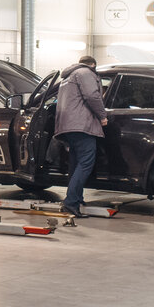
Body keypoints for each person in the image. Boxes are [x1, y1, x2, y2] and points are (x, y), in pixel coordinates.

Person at [54, 55, 108, 217]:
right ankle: (71, 202)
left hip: (67, 125)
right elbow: (92, 96)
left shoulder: (67, 77)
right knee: (85, 163)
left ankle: (76, 198)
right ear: (93, 65)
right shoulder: (86, 73)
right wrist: (102, 115)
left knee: (76, 163)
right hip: (82, 125)